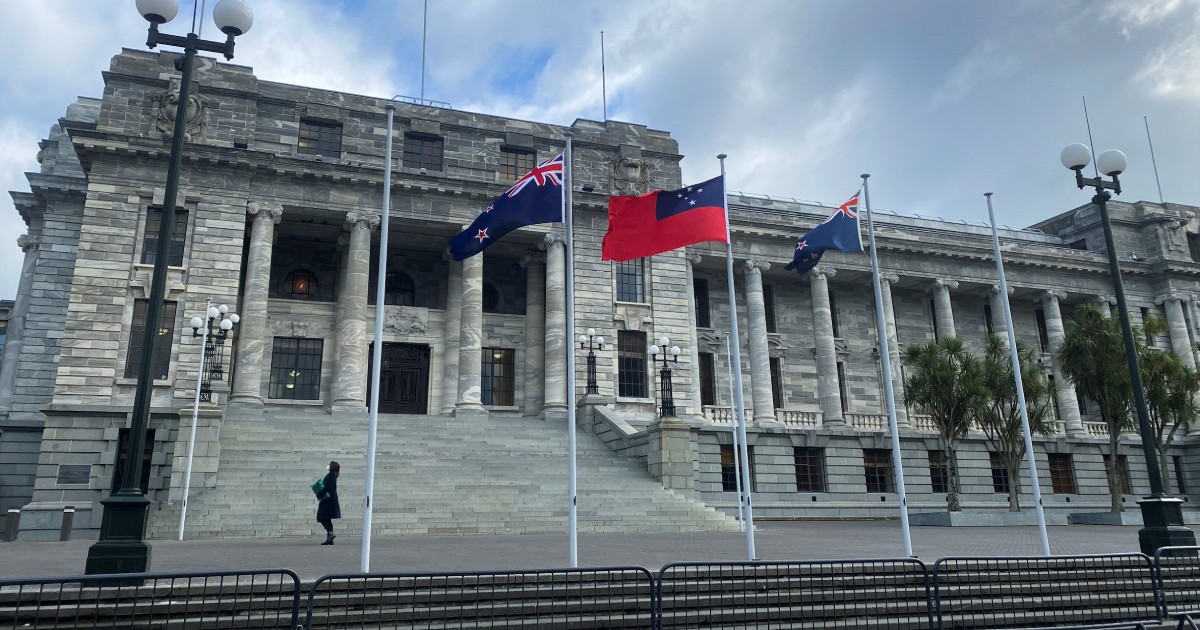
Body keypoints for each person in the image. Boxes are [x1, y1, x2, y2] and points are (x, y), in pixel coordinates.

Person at [316, 461, 341, 545]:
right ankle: (330, 538)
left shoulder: (331, 476)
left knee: (321, 517)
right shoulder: (333, 475)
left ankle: (330, 533)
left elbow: (327, 487)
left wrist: (319, 495)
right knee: (327, 518)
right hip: (329, 499)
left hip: (328, 500)